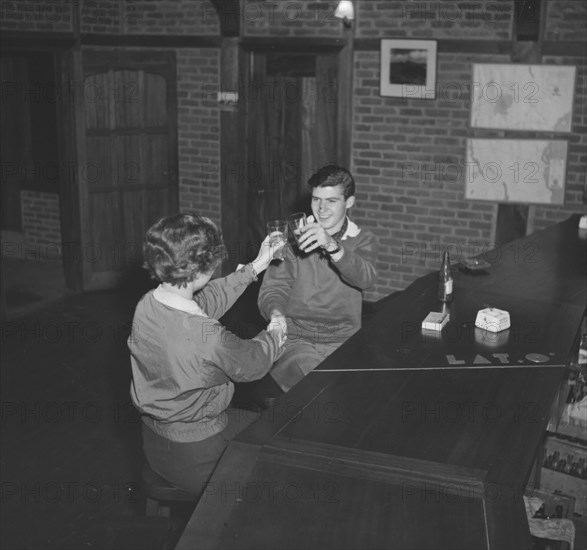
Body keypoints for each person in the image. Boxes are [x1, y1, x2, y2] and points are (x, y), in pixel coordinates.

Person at [128, 213, 286, 494]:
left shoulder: (147, 305)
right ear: (204, 268)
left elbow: (206, 300)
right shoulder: (208, 337)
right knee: (277, 455)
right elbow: (253, 362)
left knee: (261, 426)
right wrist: (275, 333)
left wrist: (255, 267)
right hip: (196, 458)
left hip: (154, 443)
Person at [258, 165, 377, 393]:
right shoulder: (293, 239)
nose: (321, 209)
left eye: (331, 201)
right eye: (316, 199)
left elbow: (366, 279)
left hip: (344, 340)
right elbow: (274, 289)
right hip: (297, 339)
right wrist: (275, 313)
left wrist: (331, 245)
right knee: (320, 388)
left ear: (349, 202)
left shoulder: (362, 239)